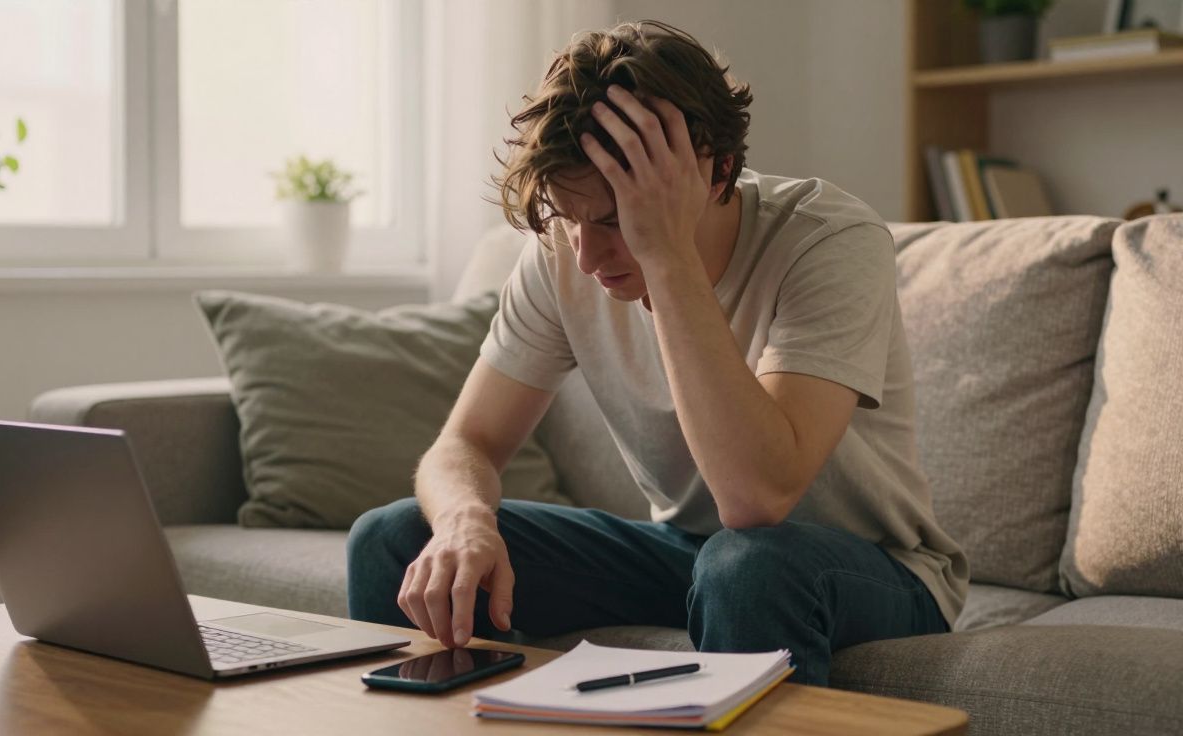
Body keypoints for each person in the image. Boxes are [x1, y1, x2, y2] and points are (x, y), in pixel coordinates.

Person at [346, 19, 968, 687]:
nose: (585, 257)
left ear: (716, 170)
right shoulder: (563, 252)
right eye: (569, 218)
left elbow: (757, 498)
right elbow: (464, 443)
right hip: (693, 554)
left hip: (870, 571)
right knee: (397, 537)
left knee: (748, 564)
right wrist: (466, 521)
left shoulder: (828, 241)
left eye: (614, 220)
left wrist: (667, 258)